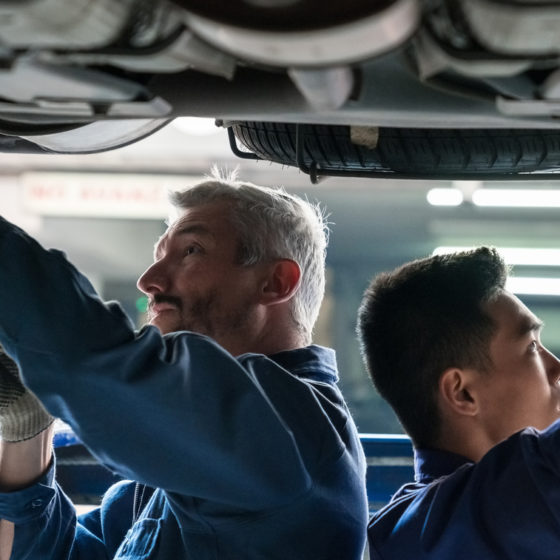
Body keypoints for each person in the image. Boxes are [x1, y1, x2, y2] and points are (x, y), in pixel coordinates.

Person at [0, 170, 368, 559]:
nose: (149, 280)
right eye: (159, 256)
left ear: (275, 282)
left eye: (191, 251)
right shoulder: (152, 489)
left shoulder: (294, 426)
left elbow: (95, 366)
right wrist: (28, 431)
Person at [356, 247, 560, 559]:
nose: (556, 367)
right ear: (462, 393)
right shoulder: (511, 498)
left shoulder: (403, 530)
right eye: (531, 347)